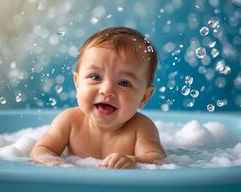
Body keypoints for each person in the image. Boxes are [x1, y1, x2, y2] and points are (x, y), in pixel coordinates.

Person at [31, 27, 166, 169]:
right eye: (95, 77)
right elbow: (41, 150)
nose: (107, 90)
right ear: (77, 83)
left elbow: (157, 158)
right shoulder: (69, 121)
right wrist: (57, 164)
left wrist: (134, 161)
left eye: (124, 83)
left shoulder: (141, 128)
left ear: (144, 97)